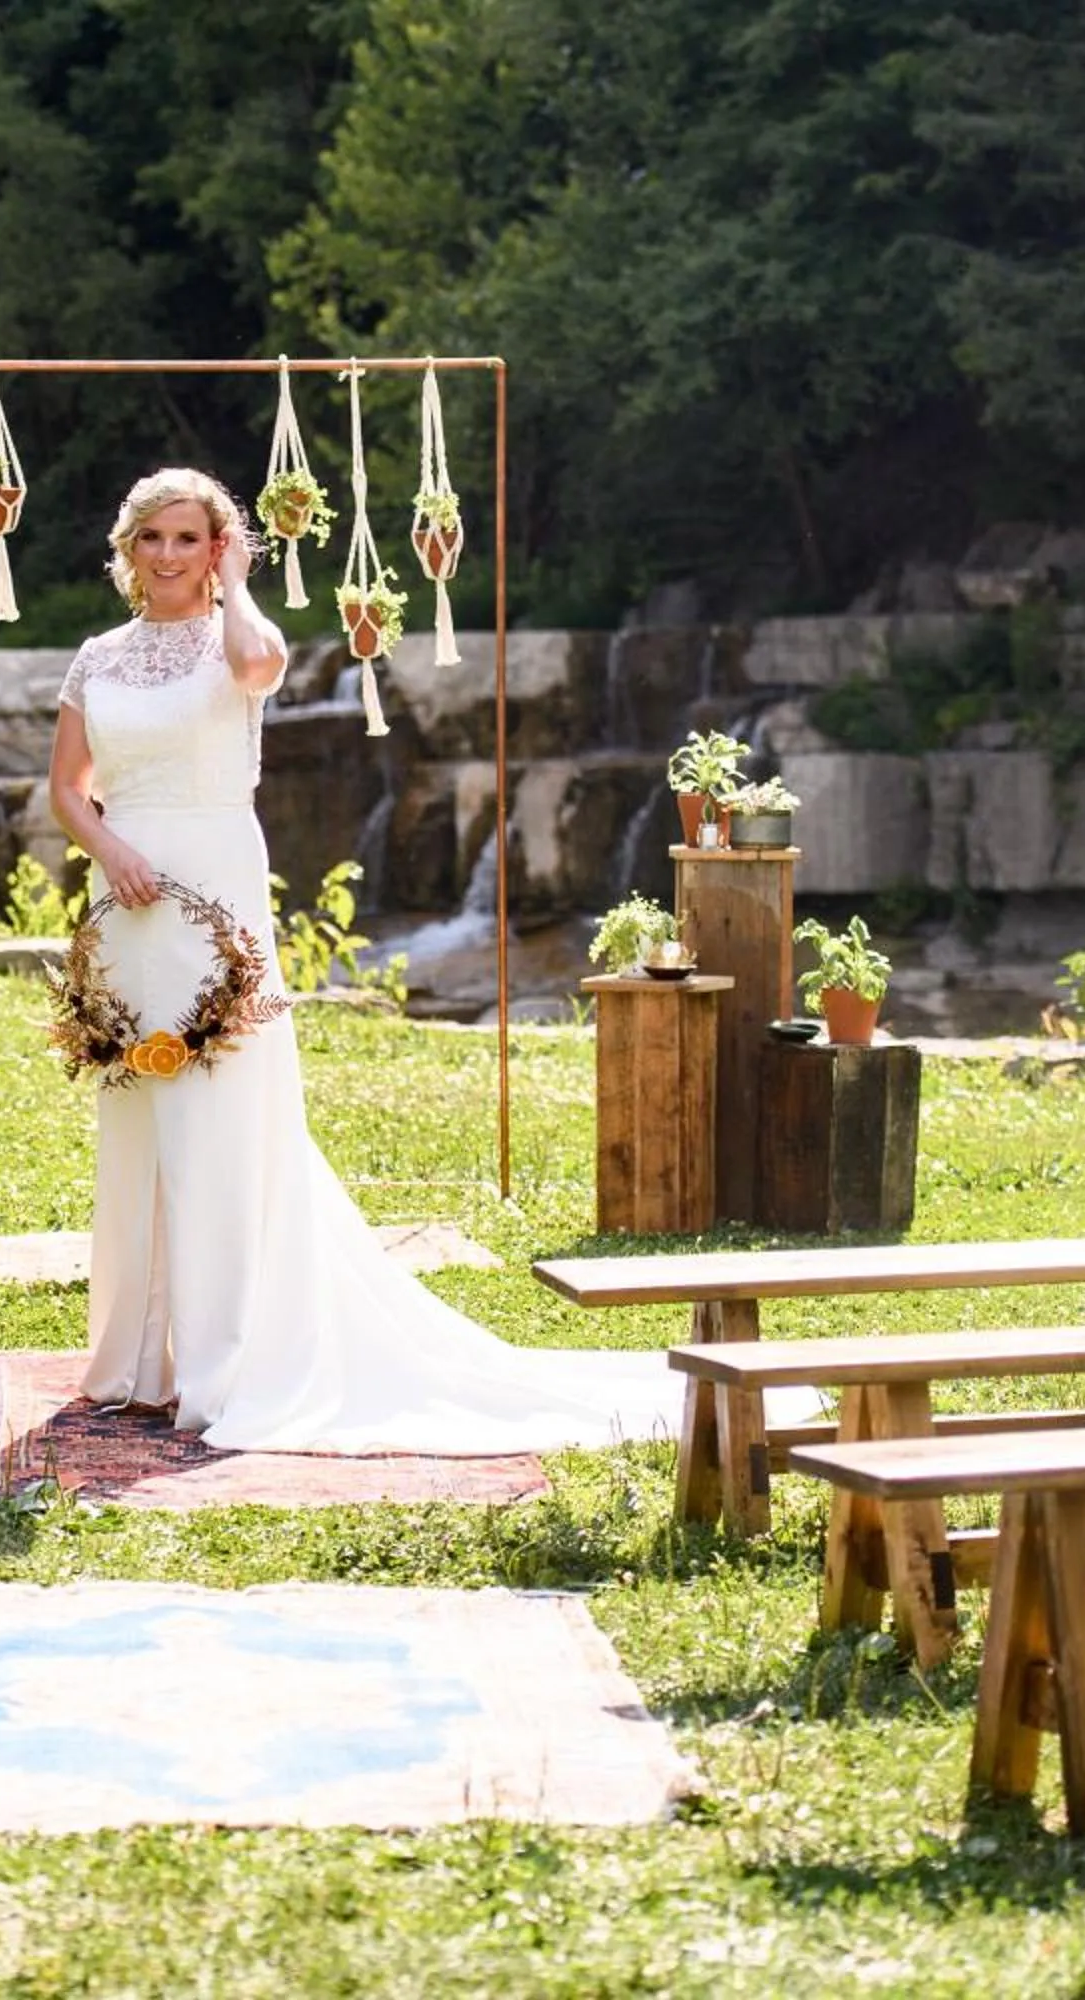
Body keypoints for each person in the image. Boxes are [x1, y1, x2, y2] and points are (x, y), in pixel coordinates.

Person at [46, 468, 750, 1456]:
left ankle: (224, 1357)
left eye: (188, 538)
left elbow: (256, 670)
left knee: (222, 1108)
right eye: (153, 538)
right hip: (127, 901)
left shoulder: (242, 637)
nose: (168, 554)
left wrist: (238, 580)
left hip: (215, 884)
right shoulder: (98, 658)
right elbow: (68, 789)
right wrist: (110, 847)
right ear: (129, 548)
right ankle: (136, 1361)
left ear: (215, 547)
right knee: (140, 1109)